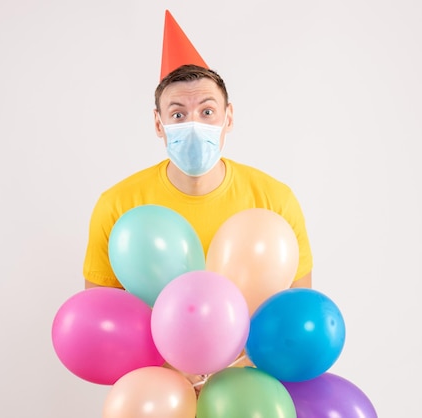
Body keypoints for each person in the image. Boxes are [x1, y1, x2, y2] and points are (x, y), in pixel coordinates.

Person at [81, 10, 313, 393]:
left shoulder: (273, 200)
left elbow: (295, 313)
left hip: (248, 392)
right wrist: (174, 371)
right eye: (178, 113)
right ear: (159, 124)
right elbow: (102, 323)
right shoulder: (118, 205)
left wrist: (237, 369)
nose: (194, 124)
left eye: (207, 111)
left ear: (228, 117)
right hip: (160, 395)